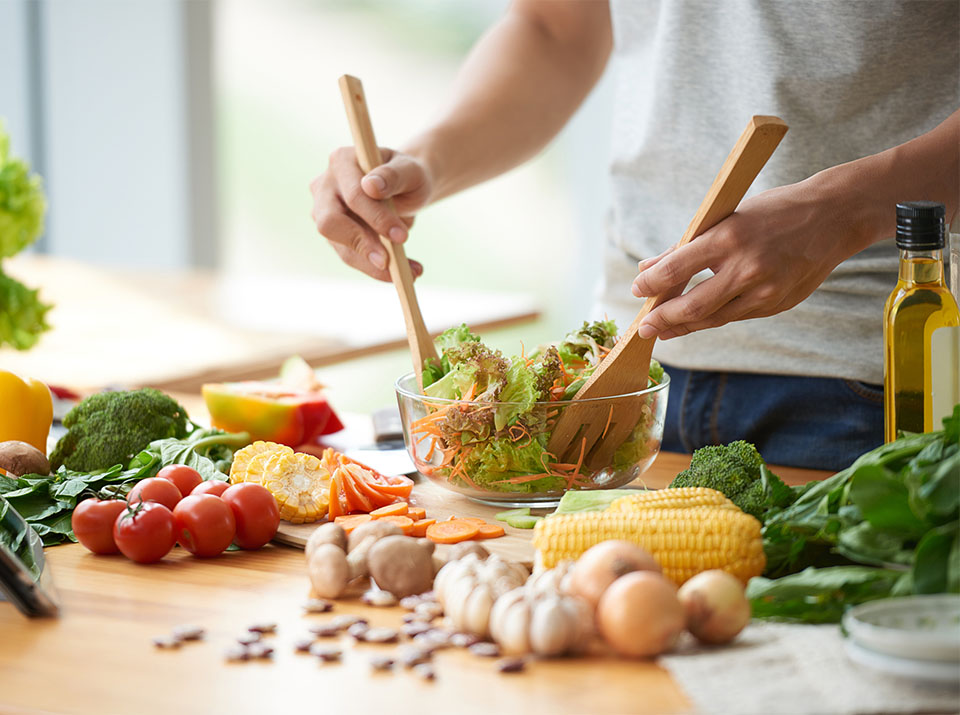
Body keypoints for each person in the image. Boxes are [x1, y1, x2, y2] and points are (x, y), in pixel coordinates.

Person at [310, 0, 959, 471]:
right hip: (625, 379)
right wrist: (426, 161)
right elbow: (555, 28)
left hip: (875, 377)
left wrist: (848, 208)